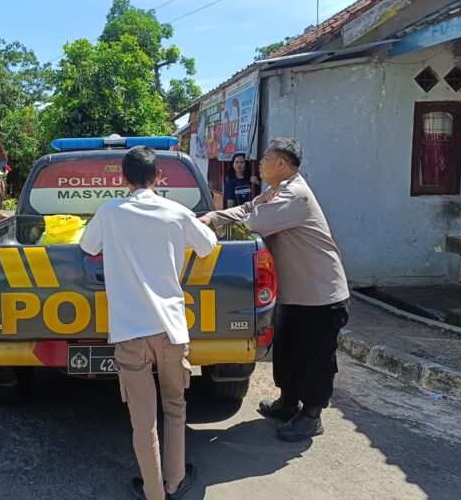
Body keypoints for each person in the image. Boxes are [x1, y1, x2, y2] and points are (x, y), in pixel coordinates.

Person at [80, 146, 217, 500]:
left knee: (143, 421)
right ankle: (174, 482)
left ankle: (154, 492)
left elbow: (87, 245)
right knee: (175, 407)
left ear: (122, 179)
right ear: (159, 177)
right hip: (172, 331)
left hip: (130, 335)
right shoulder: (177, 212)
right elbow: (208, 245)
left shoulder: (109, 212)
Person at [200, 138, 350, 442]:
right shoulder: (275, 191)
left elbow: (253, 221)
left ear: (281, 163)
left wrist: (218, 223)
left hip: (319, 294)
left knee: (313, 358)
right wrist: (212, 217)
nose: (259, 163)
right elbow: (247, 208)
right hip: (294, 293)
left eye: (265, 158)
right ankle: (288, 403)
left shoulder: (294, 195)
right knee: (287, 352)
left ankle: (312, 416)